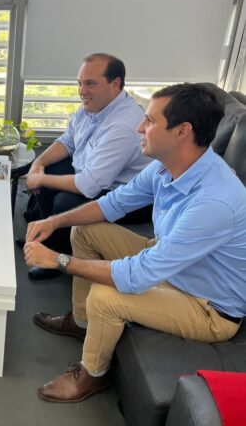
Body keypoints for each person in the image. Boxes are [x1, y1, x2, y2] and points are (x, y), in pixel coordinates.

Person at [24, 83, 246, 402]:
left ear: (182, 131)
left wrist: (57, 260)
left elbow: (137, 275)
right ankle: (82, 323)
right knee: (84, 230)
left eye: (150, 121)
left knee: (106, 296)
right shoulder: (165, 166)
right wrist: (54, 221)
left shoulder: (214, 202)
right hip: (172, 265)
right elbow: (113, 203)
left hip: (206, 306)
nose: (139, 127)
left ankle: (92, 375)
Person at [21, 53, 151, 280]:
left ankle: (58, 257)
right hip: (93, 175)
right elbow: (67, 142)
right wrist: (38, 164)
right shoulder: (92, 106)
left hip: (126, 195)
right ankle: (42, 237)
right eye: (80, 83)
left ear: (115, 84)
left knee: (64, 200)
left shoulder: (125, 124)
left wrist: (39, 179)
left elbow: (88, 186)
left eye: (90, 83)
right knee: (48, 169)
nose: (82, 91)